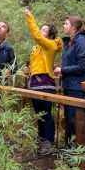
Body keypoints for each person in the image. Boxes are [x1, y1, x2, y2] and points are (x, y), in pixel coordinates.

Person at [22, 9, 63, 156]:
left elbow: (37, 36)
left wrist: (30, 17)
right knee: (38, 114)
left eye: (44, 30)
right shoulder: (37, 48)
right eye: (41, 29)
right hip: (34, 82)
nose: (40, 31)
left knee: (46, 114)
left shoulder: (50, 45)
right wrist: (29, 69)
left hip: (45, 83)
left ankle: (49, 143)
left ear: (50, 34)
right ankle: (41, 142)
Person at [54, 16, 85, 142]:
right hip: (69, 85)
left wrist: (63, 70)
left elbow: (83, 66)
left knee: (76, 119)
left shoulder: (81, 41)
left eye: (66, 23)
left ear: (74, 27)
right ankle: (71, 151)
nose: (64, 26)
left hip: (77, 86)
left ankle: (79, 153)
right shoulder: (70, 42)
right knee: (70, 119)